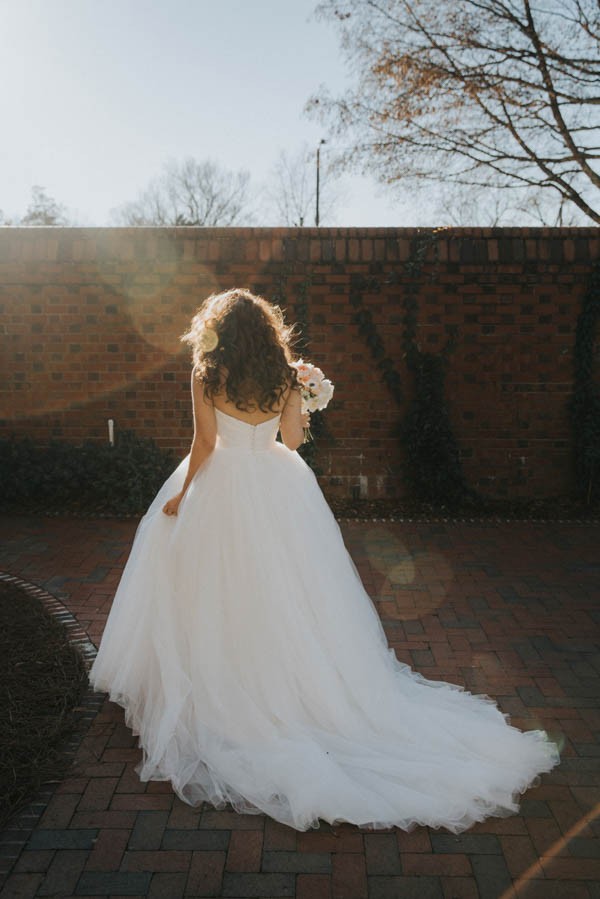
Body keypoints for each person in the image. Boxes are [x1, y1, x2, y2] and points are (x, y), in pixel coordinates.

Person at [88, 287, 560, 833]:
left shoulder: (206, 373)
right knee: (291, 591)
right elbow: (290, 442)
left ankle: (220, 680)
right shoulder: (286, 375)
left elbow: (203, 445)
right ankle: (292, 686)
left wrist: (180, 495)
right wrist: (301, 402)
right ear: (267, 333)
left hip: (221, 485)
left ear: (217, 328)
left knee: (213, 590)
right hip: (278, 487)